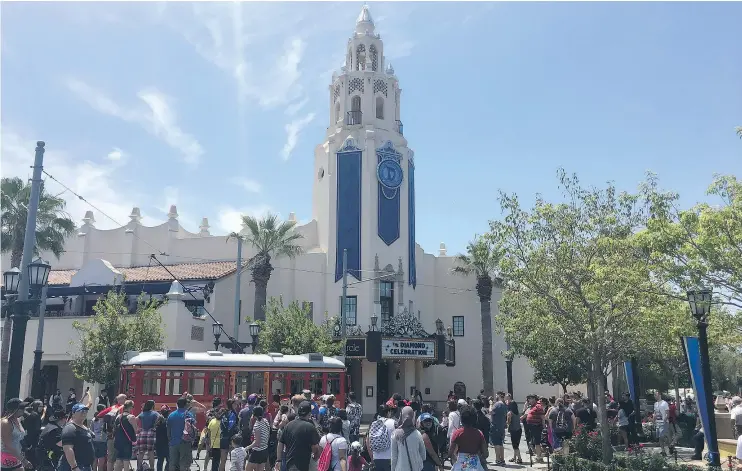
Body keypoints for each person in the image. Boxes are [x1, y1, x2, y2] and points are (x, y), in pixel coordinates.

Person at [276, 401, 321, 471]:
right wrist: (315, 457)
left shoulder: (288, 425)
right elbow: (316, 448)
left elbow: (280, 443)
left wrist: (278, 460)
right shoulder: (310, 427)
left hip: (290, 465)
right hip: (303, 465)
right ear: (309, 414)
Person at [59, 402, 96, 471]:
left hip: (86, 466)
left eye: (85, 411)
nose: (84, 413)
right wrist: (74, 467)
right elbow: (68, 449)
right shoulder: (70, 428)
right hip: (77, 466)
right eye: (81, 411)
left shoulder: (84, 427)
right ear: (73, 414)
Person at [449, 406, 486, 471]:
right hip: (475, 463)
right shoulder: (479, 433)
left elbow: (450, 452)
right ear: (475, 419)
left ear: (462, 419)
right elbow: (486, 453)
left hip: (461, 463)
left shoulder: (457, 433)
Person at [1, 398, 32, 470]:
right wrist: (23, 460)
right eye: (21, 408)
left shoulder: (18, 420)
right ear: (14, 409)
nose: (24, 409)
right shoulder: (6, 423)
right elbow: (7, 445)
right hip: (7, 457)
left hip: (17, 456)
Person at [390, 407, 424, 471]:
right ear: (412, 416)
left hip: (400, 468)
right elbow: (423, 455)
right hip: (416, 468)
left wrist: (392, 469)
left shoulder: (395, 434)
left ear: (401, 416)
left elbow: (394, 457)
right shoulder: (417, 434)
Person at [167, 397, 194, 471]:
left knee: (172, 463)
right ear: (185, 405)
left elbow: (168, 430)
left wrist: (170, 439)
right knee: (184, 463)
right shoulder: (188, 414)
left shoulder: (171, 415)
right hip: (184, 442)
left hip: (173, 443)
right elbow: (192, 428)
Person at [367, 404, 395, 471]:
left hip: (376, 457)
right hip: (389, 457)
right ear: (388, 412)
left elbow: (368, 441)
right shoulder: (393, 423)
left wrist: (372, 457)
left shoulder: (374, 423)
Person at [112, 400, 138, 471]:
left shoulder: (118, 416)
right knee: (126, 461)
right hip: (127, 442)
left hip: (118, 441)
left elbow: (115, 429)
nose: (133, 408)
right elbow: (136, 430)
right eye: (132, 407)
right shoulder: (131, 417)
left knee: (118, 461)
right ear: (129, 407)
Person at [137, 399, 161, 471]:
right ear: (152, 405)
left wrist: (138, 428)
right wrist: (155, 426)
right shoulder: (155, 413)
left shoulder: (142, 413)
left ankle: (138, 468)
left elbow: (135, 419)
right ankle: (152, 468)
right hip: (151, 433)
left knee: (141, 452)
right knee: (151, 452)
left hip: (143, 433)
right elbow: (161, 419)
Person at [247, 406, 271, 471]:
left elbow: (257, 442)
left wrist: (247, 448)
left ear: (254, 414)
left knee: (248, 469)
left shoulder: (257, 425)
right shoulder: (265, 421)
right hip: (264, 449)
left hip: (257, 451)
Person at [220, 399, 241, 471]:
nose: (236, 405)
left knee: (223, 460)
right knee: (233, 460)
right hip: (231, 438)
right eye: (235, 404)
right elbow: (231, 426)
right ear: (232, 405)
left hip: (223, 437)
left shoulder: (223, 412)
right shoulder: (233, 413)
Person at [524, 395, 544, 464]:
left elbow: (542, 417)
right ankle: (539, 455)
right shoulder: (532, 406)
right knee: (533, 442)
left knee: (537, 442)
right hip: (532, 427)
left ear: (534, 399)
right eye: (528, 399)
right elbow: (525, 412)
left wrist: (543, 426)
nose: (529, 400)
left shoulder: (538, 406)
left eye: (530, 399)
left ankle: (539, 457)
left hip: (536, 426)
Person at [488, 393, 506, 466]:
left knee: (496, 444)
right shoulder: (504, 405)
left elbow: (490, 411)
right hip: (501, 426)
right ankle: (502, 459)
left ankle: (498, 459)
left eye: (496, 395)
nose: (495, 396)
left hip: (495, 426)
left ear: (499, 396)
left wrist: (491, 404)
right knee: (501, 443)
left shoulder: (497, 404)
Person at [504, 394, 522, 464]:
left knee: (515, 445)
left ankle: (519, 458)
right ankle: (514, 457)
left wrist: (506, 423)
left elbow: (508, 421)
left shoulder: (510, 412)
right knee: (516, 444)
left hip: (513, 429)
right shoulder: (517, 412)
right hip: (519, 429)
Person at [90, 404, 108, 471]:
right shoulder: (105, 419)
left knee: (95, 458)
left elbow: (91, 431)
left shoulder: (93, 419)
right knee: (101, 458)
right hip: (102, 440)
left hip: (94, 440)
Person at [653, 392, 670, 456]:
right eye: (654, 395)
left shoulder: (664, 403)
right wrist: (653, 421)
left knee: (662, 436)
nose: (655, 396)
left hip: (664, 422)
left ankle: (669, 446)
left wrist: (665, 419)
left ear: (659, 395)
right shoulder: (655, 404)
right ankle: (663, 450)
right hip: (658, 423)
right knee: (660, 437)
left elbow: (667, 413)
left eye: (656, 395)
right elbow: (655, 413)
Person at [155, 406, 170, 471]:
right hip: (167, 444)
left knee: (160, 460)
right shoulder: (168, 423)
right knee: (169, 460)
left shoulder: (157, 424)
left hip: (159, 444)